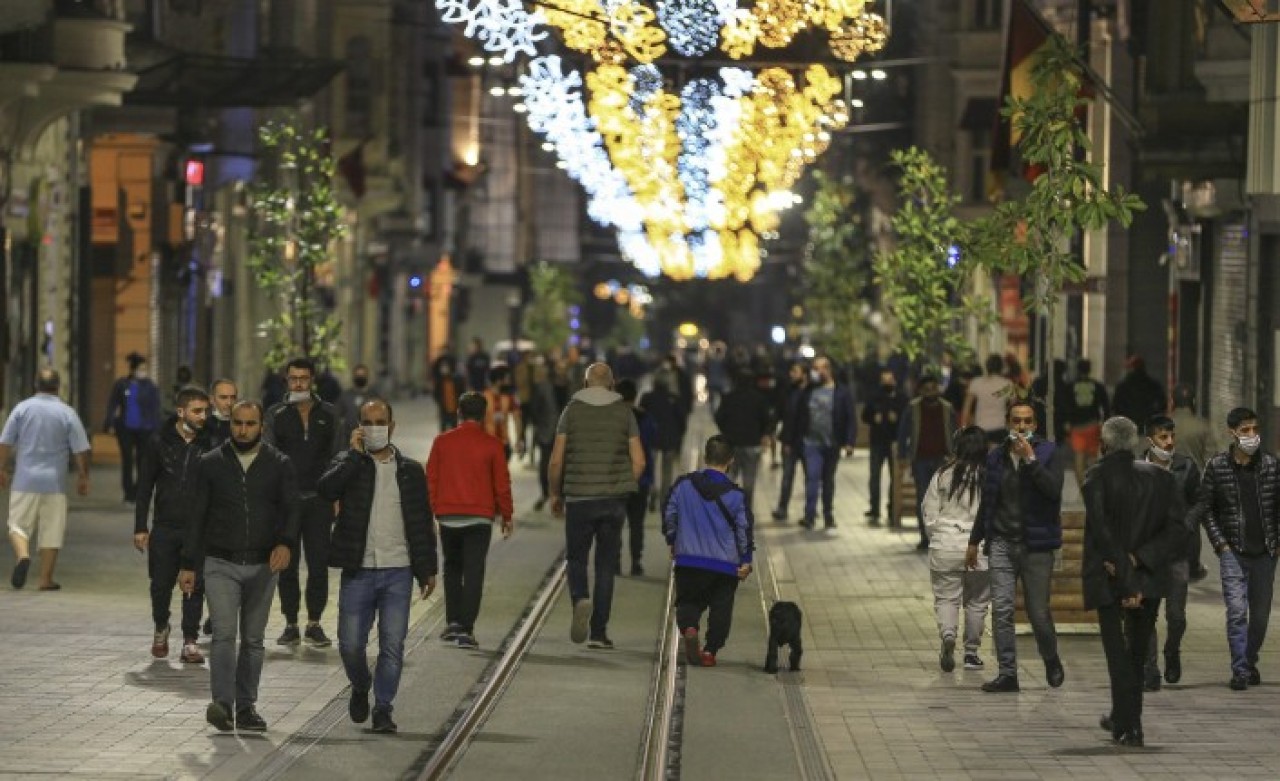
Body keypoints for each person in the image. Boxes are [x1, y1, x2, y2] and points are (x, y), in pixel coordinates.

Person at [319, 398, 438, 734]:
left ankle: (383, 708)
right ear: (359, 427)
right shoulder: (349, 463)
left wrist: (427, 567)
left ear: (392, 426)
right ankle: (360, 685)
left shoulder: (411, 470)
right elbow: (325, 490)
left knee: (392, 644)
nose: (375, 428)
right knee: (350, 644)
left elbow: (420, 521)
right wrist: (353, 455)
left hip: (398, 571)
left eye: (380, 421)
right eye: (368, 422)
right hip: (359, 569)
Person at [179, 400, 299, 732]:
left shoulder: (279, 464)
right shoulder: (211, 463)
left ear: (262, 426)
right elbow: (196, 516)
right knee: (223, 635)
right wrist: (188, 564)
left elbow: (292, 509)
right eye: (237, 423)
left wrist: (285, 543)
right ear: (230, 424)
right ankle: (222, 705)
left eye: (250, 424)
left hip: (263, 564)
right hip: (220, 562)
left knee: (254, 639)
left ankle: (247, 707)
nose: (243, 430)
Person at [1081, 416, 1180, 747]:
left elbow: (1102, 533)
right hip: (1149, 577)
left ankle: (1128, 723)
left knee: (1117, 656)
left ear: (1104, 444)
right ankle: (1127, 722)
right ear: (1136, 442)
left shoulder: (1095, 477)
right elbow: (1177, 532)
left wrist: (1125, 579)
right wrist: (1140, 562)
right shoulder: (1161, 479)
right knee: (1136, 655)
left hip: (1112, 579)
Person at [966, 400, 1067, 693]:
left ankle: (1050, 657)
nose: (1021, 427)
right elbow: (988, 501)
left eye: (1027, 421)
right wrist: (975, 540)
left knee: (1038, 613)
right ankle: (1008, 672)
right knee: (1002, 610)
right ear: (1008, 422)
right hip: (1001, 542)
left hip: (1036, 547)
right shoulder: (996, 456)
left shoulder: (1048, 453)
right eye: (1016, 421)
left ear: (1035, 425)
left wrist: (1031, 461)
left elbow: (1053, 491)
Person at [548, 363, 646, 649]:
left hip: (579, 498)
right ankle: (599, 633)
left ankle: (580, 597)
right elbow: (639, 461)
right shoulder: (624, 412)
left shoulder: (571, 410)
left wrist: (555, 493)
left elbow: (556, 460)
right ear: (612, 384)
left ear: (585, 382)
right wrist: (624, 483)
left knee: (577, 559)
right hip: (613, 501)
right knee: (606, 565)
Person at [1192, 406, 1280, 690]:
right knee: (1237, 611)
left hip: (1266, 552)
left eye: (1255, 429)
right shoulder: (1217, 467)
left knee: (1261, 614)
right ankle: (1240, 669)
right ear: (1233, 433)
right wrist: (1221, 544)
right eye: (1245, 431)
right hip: (1234, 551)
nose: (1251, 436)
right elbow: (1206, 509)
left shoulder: (1271, 466)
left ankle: (1249, 659)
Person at [263, 357, 344, 648]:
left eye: (304, 378)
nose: (299, 383)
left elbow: (338, 456)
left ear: (312, 381)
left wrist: (335, 495)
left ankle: (314, 623)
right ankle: (290, 623)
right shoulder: (275, 414)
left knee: (318, 564)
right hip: (287, 503)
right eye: (293, 378)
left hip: (319, 500)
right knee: (287, 563)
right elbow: (270, 457)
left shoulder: (329, 414)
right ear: (286, 381)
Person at [135, 385, 215, 664]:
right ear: (181, 412)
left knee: (195, 584)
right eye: (197, 411)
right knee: (160, 585)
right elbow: (144, 486)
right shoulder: (159, 442)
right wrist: (140, 527)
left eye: (206, 410)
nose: (203, 416)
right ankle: (161, 626)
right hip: (165, 526)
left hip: (198, 528)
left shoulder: (210, 443)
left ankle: (190, 641)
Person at [426, 392, 513, 648]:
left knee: (452, 567)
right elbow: (502, 484)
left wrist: (431, 512)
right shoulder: (493, 444)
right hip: (479, 519)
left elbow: (431, 478)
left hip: (448, 517)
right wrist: (507, 515)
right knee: (474, 571)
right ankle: (466, 628)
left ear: (459, 413)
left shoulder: (442, 442)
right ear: (483, 415)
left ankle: (452, 621)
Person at [663, 435, 754, 668]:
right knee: (721, 608)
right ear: (730, 461)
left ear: (705, 457)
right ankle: (710, 651)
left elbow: (670, 515)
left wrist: (673, 540)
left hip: (689, 559)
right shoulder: (736, 496)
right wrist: (745, 560)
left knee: (688, 601)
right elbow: (744, 529)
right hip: (725, 564)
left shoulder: (683, 485)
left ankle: (690, 628)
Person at [1, 368, 91, 590]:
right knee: (52, 530)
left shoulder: (22, 409)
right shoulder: (67, 413)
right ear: (58, 386)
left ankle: (23, 556)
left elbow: (5, 442)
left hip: (24, 480)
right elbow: (81, 450)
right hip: (55, 483)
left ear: (35, 384)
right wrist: (83, 476)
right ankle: (45, 579)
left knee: (17, 525)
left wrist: (1, 468)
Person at [923, 426, 991, 673]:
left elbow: (929, 512)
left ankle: (948, 634)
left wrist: (938, 536)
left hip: (946, 544)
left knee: (946, 597)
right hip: (981, 547)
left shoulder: (943, 474)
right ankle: (971, 654)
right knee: (977, 602)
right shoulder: (991, 475)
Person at [1140, 415, 1201, 691]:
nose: (1169, 442)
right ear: (1149, 439)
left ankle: (1172, 650)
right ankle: (1149, 670)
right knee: (1146, 614)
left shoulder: (1186, 467)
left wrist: (1186, 524)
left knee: (1176, 615)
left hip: (1178, 554)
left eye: (1171, 436)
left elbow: (1200, 501)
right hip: (1147, 554)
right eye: (1163, 437)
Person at [790, 356, 857, 529]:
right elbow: (797, 415)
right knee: (812, 478)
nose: (818, 371)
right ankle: (809, 515)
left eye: (821, 368)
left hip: (832, 444)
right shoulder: (808, 391)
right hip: (811, 443)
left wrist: (850, 442)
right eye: (815, 368)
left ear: (829, 370)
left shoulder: (841, 392)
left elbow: (850, 418)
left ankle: (828, 514)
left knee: (828, 480)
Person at [898, 374, 956, 550]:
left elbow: (954, 431)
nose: (931, 392)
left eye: (934, 388)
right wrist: (902, 456)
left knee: (943, 499)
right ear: (921, 390)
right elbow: (903, 433)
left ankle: (939, 536)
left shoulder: (947, 408)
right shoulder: (913, 408)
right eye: (927, 389)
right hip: (920, 459)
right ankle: (924, 536)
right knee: (923, 498)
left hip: (943, 459)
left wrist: (955, 455)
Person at [1169, 384, 1215, 581]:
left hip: (1169, 477)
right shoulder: (1202, 426)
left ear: (1173, 401)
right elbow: (1211, 456)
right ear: (1193, 402)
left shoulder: (1164, 424)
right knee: (1192, 523)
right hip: (1194, 478)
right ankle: (1193, 566)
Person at [103, 352, 161, 503]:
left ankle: (137, 490)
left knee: (143, 461)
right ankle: (128, 492)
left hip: (146, 429)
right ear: (133, 369)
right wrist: (109, 423)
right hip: (125, 428)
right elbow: (112, 404)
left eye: (145, 368)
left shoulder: (150, 386)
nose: (143, 371)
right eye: (141, 368)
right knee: (127, 460)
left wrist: (157, 428)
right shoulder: (121, 384)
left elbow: (156, 408)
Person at [713, 370, 773, 516]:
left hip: (732, 444)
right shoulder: (759, 399)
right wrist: (763, 434)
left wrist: (726, 431)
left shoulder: (728, 398)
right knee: (749, 480)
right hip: (752, 444)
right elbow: (768, 420)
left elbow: (719, 417)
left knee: (729, 478)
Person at [619, 379, 657, 576]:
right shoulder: (645, 418)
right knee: (636, 523)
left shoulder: (611, 418)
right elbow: (650, 446)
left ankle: (614, 562)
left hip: (616, 480)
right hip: (640, 479)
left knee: (614, 523)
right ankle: (636, 561)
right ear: (635, 397)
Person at [861, 368, 906, 527]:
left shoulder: (901, 397)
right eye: (884, 379)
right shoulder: (874, 397)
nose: (887, 382)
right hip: (877, 441)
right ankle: (874, 509)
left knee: (894, 477)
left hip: (893, 442)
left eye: (889, 379)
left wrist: (897, 418)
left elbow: (906, 417)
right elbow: (864, 416)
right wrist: (874, 418)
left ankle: (892, 508)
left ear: (894, 380)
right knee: (874, 476)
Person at [640, 372, 687, 513]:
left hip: (651, 439)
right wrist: (679, 435)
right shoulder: (674, 398)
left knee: (651, 468)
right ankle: (664, 500)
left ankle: (652, 490)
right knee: (667, 472)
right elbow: (682, 420)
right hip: (669, 440)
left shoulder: (647, 398)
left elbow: (640, 416)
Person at [771, 361, 810, 522]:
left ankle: (810, 511)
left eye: (795, 371)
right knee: (787, 476)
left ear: (804, 375)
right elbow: (781, 415)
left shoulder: (811, 393)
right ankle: (782, 508)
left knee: (811, 478)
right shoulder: (788, 392)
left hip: (808, 442)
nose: (791, 374)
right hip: (790, 442)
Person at [1066, 358, 1110, 483]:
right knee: (1092, 458)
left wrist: (1067, 421)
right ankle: (1092, 486)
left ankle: (1083, 490)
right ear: (1089, 370)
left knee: (1079, 457)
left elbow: (1066, 405)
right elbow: (1105, 406)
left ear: (1078, 370)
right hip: (1093, 425)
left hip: (1076, 426)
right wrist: (1104, 422)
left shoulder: (1070, 386)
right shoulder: (1098, 386)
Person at [962, 354, 1012, 445]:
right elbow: (1013, 408)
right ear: (1001, 367)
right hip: (1000, 428)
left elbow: (966, 409)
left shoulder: (976, 383)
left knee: (980, 457)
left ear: (986, 367)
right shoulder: (1007, 384)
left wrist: (964, 429)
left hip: (981, 429)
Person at [482, 364, 524, 462]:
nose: (509, 381)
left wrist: (518, 439)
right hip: (486, 445)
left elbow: (517, 419)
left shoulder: (510, 398)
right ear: (498, 380)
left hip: (504, 445)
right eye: (507, 378)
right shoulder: (483, 397)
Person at [1112, 356, 1165, 430]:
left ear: (1131, 368)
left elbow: (1116, 407)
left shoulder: (1123, 386)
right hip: (1147, 426)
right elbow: (1162, 405)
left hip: (1128, 427)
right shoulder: (1153, 385)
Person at [335, 364, 379, 435]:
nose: (360, 377)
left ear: (367, 376)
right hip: (348, 436)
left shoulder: (374, 396)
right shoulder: (345, 396)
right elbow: (337, 415)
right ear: (353, 376)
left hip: (370, 436)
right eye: (358, 375)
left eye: (362, 375)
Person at [431, 354, 464, 432]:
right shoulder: (439, 381)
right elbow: (435, 394)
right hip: (443, 409)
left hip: (454, 408)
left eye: (445, 367)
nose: (443, 369)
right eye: (442, 367)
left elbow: (461, 393)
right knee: (443, 429)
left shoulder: (457, 380)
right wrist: (439, 403)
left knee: (454, 429)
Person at [207, 379, 238, 447]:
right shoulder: (204, 426)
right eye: (223, 397)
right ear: (212, 400)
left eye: (233, 398)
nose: (229, 403)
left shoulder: (244, 425)